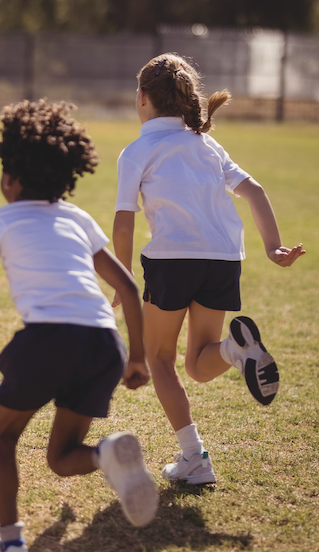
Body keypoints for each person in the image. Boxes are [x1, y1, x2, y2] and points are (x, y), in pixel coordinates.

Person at [0, 99, 158, 552]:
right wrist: (135, 359)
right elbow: (128, 289)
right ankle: (106, 454)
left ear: (10, 178)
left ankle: (10, 541)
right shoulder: (76, 218)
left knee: (3, 436)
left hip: (46, 341)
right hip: (102, 343)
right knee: (61, 457)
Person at [112, 53, 305, 485]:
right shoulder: (208, 145)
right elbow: (252, 189)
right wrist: (273, 248)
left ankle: (194, 458)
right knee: (199, 365)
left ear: (142, 98)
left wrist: (122, 277)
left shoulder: (137, 150)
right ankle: (238, 352)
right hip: (221, 259)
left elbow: (124, 223)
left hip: (171, 260)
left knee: (159, 359)